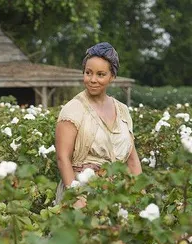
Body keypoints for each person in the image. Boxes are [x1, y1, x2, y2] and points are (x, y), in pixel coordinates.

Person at [55, 42, 142, 206]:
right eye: (88, 73)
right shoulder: (73, 110)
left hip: (116, 195)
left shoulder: (122, 111)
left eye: (100, 74)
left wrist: (140, 197)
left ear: (112, 77)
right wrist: (77, 198)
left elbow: (132, 160)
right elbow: (62, 158)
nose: (92, 79)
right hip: (82, 191)